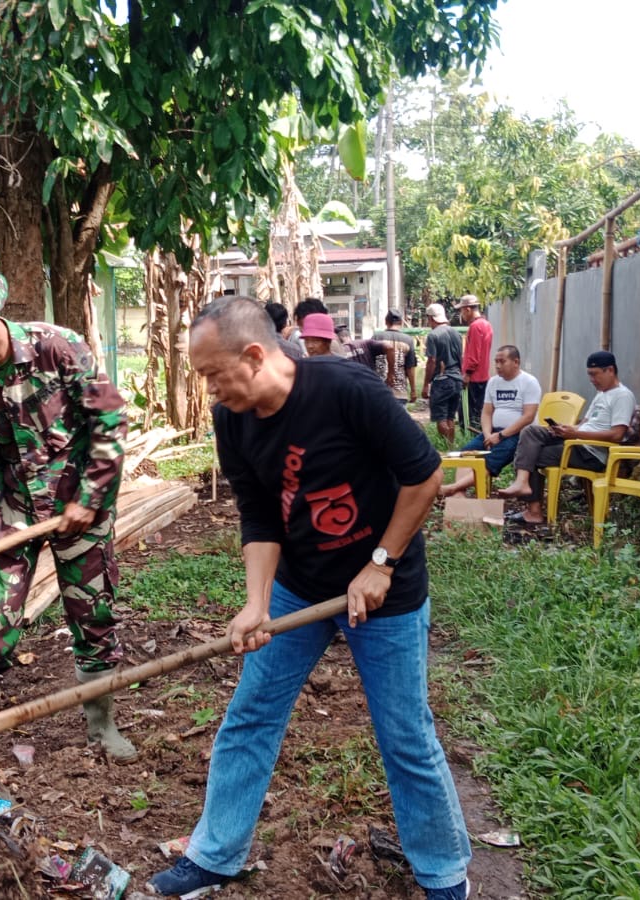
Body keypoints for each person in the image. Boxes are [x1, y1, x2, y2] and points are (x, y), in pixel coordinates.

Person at [148, 296, 473, 900]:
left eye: (214, 375)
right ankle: (216, 855)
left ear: (253, 355)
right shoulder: (233, 419)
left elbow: (423, 475)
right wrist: (257, 602)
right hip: (301, 587)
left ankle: (444, 872)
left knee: (405, 733)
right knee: (250, 714)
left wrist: (380, 564)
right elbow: (259, 514)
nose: (210, 391)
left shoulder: (345, 389)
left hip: (387, 591)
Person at [0, 263, 135, 767]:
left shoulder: (58, 346)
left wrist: (90, 498)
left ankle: (103, 727)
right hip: (15, 511)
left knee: (93, 615)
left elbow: (109, 418)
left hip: (80, 502)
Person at [496, 350, 637, 525]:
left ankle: (534, 511)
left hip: (592, 454)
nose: (592, 379)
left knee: (533, 454)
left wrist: (576, 434)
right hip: (578, 442)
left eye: (595, 375)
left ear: (610, 370)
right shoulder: (602, 394)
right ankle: (522, 481)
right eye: (589, 375)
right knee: (531, 431)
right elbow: (585, 423)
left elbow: (617, 435)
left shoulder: (622, 396)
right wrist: (566, 429)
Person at [439, 345, 541, 499]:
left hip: (519, 434)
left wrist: (500, 436)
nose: (498, 366)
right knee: (466, 453)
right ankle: (458, 495)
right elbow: (486, 412)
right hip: (493, 432)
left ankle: (452, 488)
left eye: (502, 361)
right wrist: (487, 434)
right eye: (496, 362)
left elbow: (528, 416)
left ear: (516, 362)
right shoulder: (493, 382)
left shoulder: (529, 382)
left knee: (492, 459)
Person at [299, 312, 398, 390]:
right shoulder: (302, 369)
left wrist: (391, 373)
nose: (310, 346)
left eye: (315, 341)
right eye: (307, 341)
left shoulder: (345, 369)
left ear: (328, 342)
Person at [422, 302, 465, 446]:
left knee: (441, 417)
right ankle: (451, 449)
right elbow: (461, 357)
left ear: (431, 318)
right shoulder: (457, 334)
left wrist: (426, 384)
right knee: (450, 418)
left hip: (442, 380)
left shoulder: (433, 335)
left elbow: (431, 361)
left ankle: (444, 449)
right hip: (457, 378)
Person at [458, 295, 493, 435]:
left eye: (461, 311)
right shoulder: (486, 324)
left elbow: (474, 354)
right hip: (483, 376)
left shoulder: (475, 326)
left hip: (474, 378)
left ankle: (471, 440)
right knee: (479, 411)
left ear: (467, 309)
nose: (461, 314)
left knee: (468, 414)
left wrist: (467, 374)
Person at [374, 311, 420, 403]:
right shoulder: (408, 340)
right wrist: (413, 391)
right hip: (400, 393)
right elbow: (410, 368)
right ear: (401, 323)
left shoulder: (376, 337)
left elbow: (370, 362)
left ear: (386, 321)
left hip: (379, 391)